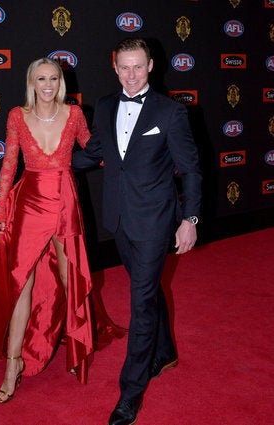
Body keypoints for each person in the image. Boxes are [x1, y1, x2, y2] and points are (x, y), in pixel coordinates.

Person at [72, 38, 202, 425]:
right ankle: (165, 351)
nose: (131, 75)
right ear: (115, 67)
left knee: (141, 301)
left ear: (151, 67)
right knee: (147, 289)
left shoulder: (171, 112)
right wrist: (51, 159)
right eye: (124, 67)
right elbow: (95, 152)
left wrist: (189, 220)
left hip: (155, 219)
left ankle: (130, 392)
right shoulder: (108, 105)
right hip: (118, 218)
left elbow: (191, 170)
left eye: (138, 67)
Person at [0, 57, 124, 404]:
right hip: (28, 204)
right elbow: (9, 163)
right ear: (31, 82)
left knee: (70, 278)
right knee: (22, 287)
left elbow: (94, 151)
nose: (47, 84)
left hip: (64, 202)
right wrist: (1, 207)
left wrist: (129, 157)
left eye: (53, 78)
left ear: (60, 81)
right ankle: (13, 365)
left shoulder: (74, 114)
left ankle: (76, 349)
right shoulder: (18, 115)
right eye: (41, 78)